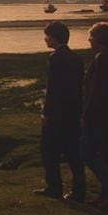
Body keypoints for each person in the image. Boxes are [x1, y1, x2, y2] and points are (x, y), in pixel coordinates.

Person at [33, 21, 86, 202]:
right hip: (73, 112)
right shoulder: (77, 59)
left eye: (47, 35)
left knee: (49, 150)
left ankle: (54, 187)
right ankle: (79, 191)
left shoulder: (55, 59)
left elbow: (53, 90)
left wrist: (46, 113)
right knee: (73, 153)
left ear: (54, 37)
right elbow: (78, 89)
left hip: (57, 114)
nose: (45, 39)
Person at [81, 21, 108, 207]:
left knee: (87, 152)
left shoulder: (102, 59)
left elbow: (97, 92)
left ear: (98, 39)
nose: (88, 39)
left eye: (91, 36)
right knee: (107, 155)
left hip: (100, 117)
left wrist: (85, 116)